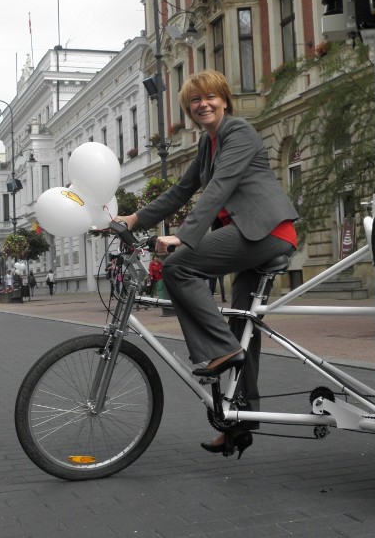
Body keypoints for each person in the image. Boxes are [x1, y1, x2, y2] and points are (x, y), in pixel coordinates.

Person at [115, 70, 298, 458]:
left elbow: (220, 187)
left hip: (265, 231)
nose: (202, 105)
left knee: (178, 267)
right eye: (194, 101)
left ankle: (219, 350)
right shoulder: (207, 144)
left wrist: (185, 236)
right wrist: (133, 220)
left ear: (224, 100)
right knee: (242, 327)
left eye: (209, 97)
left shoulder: (239, 133)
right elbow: (181, 190)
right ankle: (240, 424)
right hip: (249, 235)